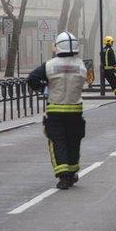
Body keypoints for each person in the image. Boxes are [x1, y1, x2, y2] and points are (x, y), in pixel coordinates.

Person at [27, 31, 87, 189]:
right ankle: (73, 172)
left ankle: (63, 176)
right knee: (74, 142)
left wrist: (43, 88)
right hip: (75, 111)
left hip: (55, 111)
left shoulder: (50, 65)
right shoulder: (81, 65)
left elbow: (32, 78)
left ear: (58, 47)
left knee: (57, 142)